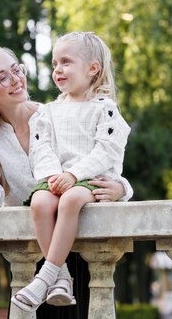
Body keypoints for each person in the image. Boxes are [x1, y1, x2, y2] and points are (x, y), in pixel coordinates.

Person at [0, 44, 133, 319]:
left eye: (16, 70)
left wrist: (121, 188)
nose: (16, 80)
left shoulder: (56, 115)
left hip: (82, 250)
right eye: (2, 77)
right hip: (31, 256)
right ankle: (55, 276)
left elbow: (99, 159)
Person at [11, 32, 131, 312]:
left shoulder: (105, 109)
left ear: (92, 69)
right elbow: (40, 148)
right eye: (54, 64)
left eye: (66, 62)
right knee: (40, 202)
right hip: (57, 178)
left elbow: (107, 150)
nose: (58, 70)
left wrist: (74, 175)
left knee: (71, 200)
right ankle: (61, 275)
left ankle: (44, 278)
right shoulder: (48, 112)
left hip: (89, 178)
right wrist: (54, 176)